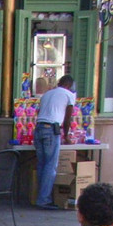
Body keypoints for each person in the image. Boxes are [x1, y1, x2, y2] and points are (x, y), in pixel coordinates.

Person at [34, 75, 76, 210]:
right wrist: (67, 136)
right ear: (69, 85)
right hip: (51, 129)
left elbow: (40, 112)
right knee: (50, 165)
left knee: (42, 164)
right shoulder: (69, 95)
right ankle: (44, 199)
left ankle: (41, 196)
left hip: (39, 128)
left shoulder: (47, 94)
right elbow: (67, 118)